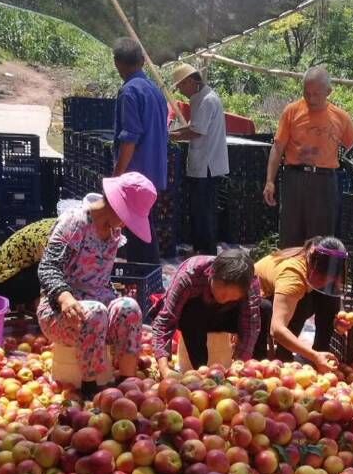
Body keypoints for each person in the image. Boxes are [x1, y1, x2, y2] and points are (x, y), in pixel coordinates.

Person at [38, 174, 157, 395]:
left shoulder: (114, 230)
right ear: (115, 206)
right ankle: (90, 391)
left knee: (129, 307)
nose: (126, 224)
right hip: (60, 312)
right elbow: (48, 267)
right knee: (95, 312)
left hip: (98, 310)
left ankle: (126, 385)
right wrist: (65, 298)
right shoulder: (75, 222)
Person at [264, 66, 353, 247]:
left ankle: (316, 273)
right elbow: (277, 147)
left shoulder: (341, 117)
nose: (311, 98)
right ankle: (288, 271)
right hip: (294, 177)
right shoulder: (291, 111)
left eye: (316, 94)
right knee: (290, 235)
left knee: (320, 240)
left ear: (328, 92)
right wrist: (270, 180)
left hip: (325, 182)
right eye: (307, 93)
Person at [151, 249, 261, 371]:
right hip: (196, 319)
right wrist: (164, 369)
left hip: (226, 318)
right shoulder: (190, 274)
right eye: (223, 292)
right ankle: (200, 370)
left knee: (264, 309)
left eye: (232, 298)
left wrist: (241, 364)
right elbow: (165, 322)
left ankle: (256, 369)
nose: (225, 299)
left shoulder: (250, 283)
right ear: (211, 273)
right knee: (192, 310)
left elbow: (250, 326)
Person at [112, 38, 171, 261]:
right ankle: (149, 280)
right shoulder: (156, 92)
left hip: (135, 176)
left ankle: (145, 282)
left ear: (118, 63)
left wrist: (117, 178)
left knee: (139, 236)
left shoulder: (129, 92)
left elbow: (130, 139)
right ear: (143, 61)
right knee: (145, 228)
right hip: (153, 175)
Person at [255, 237, 347, 373]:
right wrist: (313, 356)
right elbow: (277, 329)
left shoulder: (314, 261)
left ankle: (322, 352)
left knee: (327, 297)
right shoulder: (293, 277)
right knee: (303, 303)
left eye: (329, 280)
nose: (324, 283)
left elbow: (334, 301)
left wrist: (339, 320)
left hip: (285, 296)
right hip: (259, 305)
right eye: (321, 278)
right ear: (311, 263)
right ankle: (284, 356)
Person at [169, 63, 229, 255]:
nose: (181, 91)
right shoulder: (202, 98)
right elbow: (194, 127)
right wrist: (174, 132)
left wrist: (171, 136)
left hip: (207, 166)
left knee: (204, 212)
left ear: (190, 81)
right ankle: (200, 249)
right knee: (200, 210)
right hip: (203, 164)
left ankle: (206, 252)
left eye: (181, 86)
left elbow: (196, 131)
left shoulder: (207, 101)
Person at [0, 218, 57, 314]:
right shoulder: (53, 236)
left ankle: (34, 306)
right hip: (3, 284)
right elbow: (52, 272)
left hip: (6, 280)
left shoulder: (54, 226)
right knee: (53, 271)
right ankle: (44, 311)